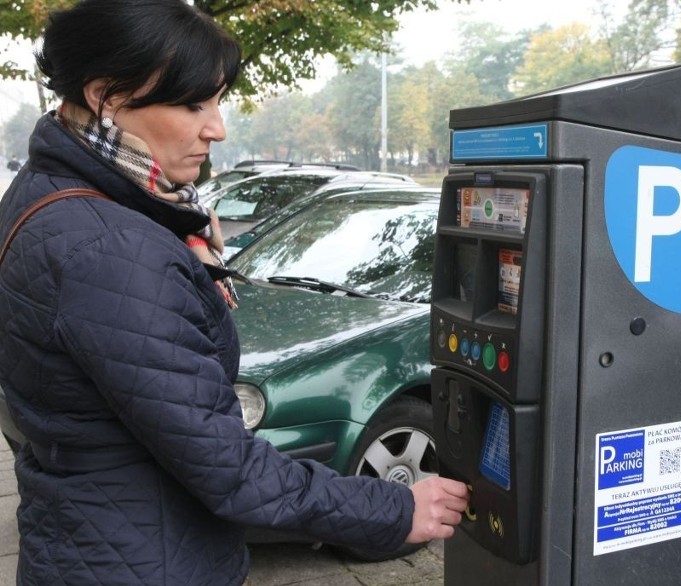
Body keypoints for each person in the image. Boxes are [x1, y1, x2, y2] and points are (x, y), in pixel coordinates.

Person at [0, 2, 467, 585]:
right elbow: (226, 465)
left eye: (217, 102)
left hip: (84, 539)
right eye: (193, 103)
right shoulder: (110, 249)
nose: (216, 127)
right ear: (107, 98)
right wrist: (394, 508)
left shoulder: (44, 194)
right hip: (149, 563)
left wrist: (173, 234)